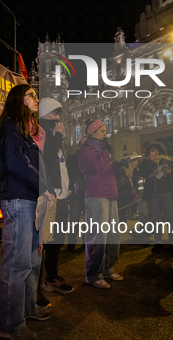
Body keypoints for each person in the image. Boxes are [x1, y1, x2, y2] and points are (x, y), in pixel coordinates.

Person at [0, 84, 54, 340]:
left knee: (32, 261)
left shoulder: (28, 131)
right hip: (18, 201)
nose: (36, 98)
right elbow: (17, 162)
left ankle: (29, 309)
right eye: (31, 95)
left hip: (32, 200)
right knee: (15, 265)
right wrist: (42, 184)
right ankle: (9, 325)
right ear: (20, 99)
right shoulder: (10, 126)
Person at [78, 120, 123, 289]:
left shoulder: (104, 151)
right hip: (96, 195)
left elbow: (106, 169)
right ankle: (93, 274)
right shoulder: (85, 150)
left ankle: (108, 268)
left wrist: (119, 166)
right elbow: (94, 167)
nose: (105, 133)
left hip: (110, 193)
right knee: (98, 236)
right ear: (92, 132)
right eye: (102, 130)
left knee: (113, 235)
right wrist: (105, 153)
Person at [38, 98, 74, 294]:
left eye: (59, 114)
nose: (58, 118)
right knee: (46, 240)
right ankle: (41, 282)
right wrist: (58, 136)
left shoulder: (55, 136)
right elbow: (48, 158)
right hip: (50, 197)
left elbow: (61, 166)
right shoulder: (43, 134)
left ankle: (51, 278)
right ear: (44, 115)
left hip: (62, 196)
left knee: (57, 239)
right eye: (54, 114)